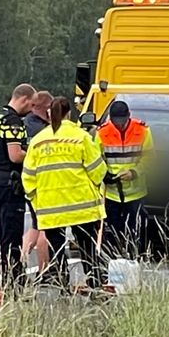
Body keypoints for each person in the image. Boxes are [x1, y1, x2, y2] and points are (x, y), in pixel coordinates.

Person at [22, 96, 107, 290]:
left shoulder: (38, 141)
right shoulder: (81, 137)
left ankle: (61, 282)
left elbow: (28, 177)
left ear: (50, 113)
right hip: (82, 205)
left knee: (56, 246)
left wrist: (36, 200)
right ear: (69, 113)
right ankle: (94, 281)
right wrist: (93, 187)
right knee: (87, 246)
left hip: (51, 206)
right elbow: (97, 169)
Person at [0, 83, 36, 285]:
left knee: (1, 232)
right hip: (11, 181)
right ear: (23, 99)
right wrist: (35, 153)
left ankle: (8, 275)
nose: (32, 110)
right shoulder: (12, 121)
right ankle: (14, 280)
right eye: (31, 104)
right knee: (12, 234)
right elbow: (15, 155)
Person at [96, 99, 153, 259]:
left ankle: (136, 259)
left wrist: (134, 172)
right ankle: (112, 262)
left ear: (129, 116)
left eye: (122, 121)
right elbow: (96, 159)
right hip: (111, 192)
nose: (119, 125)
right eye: (116, 122)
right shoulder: (102, 132)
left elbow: (149, 159)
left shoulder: (142, 131)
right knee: (112, 233)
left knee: (137, 232)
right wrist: (105, 175)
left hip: (136, 192)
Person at [21, 91, 53, 274]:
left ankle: (19, 260)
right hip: (43, 182)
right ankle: (45, 270)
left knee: (35, 225)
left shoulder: (25, 124)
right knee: (45, 228)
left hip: (29, 181)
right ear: (46, 109)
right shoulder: (43, 130)